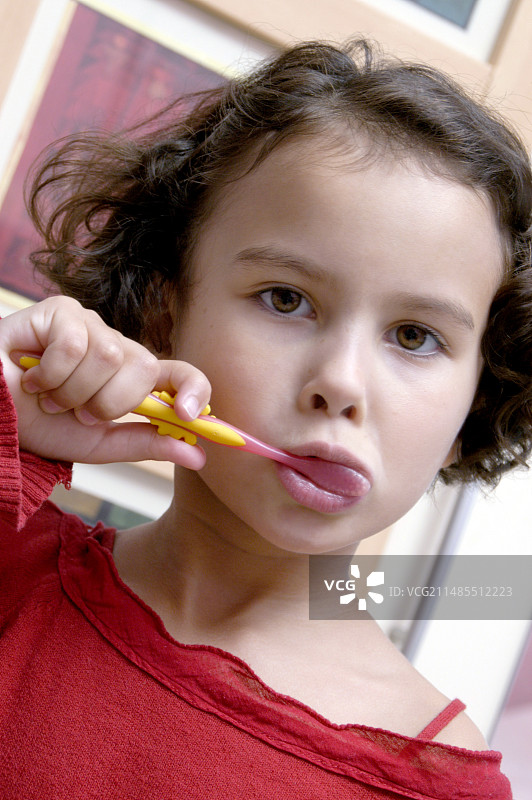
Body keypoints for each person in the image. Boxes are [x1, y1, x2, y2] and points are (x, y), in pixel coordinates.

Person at [1, 38, 531, 799]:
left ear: (474, 406)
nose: (341, 384)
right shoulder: (13, 573)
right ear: (163, 313)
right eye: (286, 299)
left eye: (415, 337)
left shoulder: (433, 785)